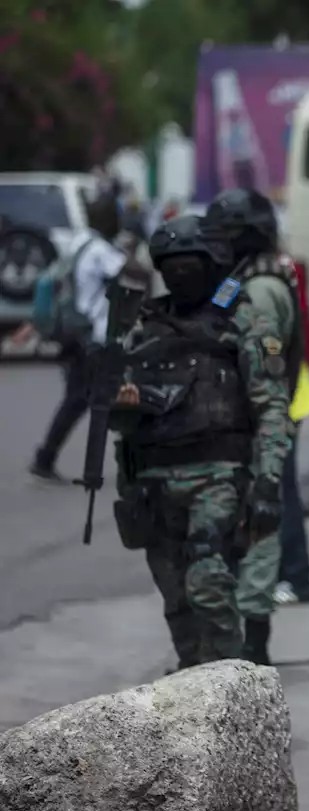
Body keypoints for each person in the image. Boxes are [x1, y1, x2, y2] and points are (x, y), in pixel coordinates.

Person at [111, 215, 293, 670]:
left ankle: (231, 684)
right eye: (171, 265)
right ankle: (195, 686)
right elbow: (116, 412)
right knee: (176, 599)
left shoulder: (244, 319)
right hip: (152, 483)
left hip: (217, 478)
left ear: (212, 264)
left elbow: (271, 407)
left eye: (190, 264)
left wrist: (268, 480)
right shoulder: (143, 325)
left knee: (208, 583)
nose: (179, 274)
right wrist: (123, 403)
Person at [204, 187, 309, 665]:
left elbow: (264, 377)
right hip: (239, 429)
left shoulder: (263, 289)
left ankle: (250, 656)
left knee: (261, 527)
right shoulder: (243, 279)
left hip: (260, 427)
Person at [25, 182, 151, 482]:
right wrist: (132, 248)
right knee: (120, 398)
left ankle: (46, 456)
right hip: (91, 337)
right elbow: (137, 272)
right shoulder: (99, 250)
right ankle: (139, 466)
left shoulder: (80, 241)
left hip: (74, 332)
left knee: (80, 399)